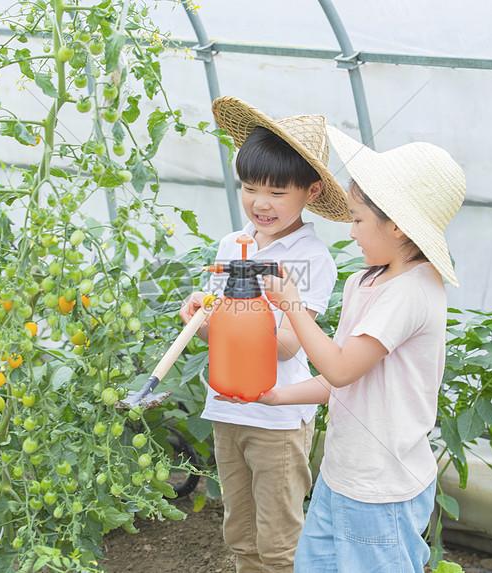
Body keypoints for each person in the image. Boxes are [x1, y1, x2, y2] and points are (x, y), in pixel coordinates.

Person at [217, 126, 466, 572]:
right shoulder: (364, 281)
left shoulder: (411, 292)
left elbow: (341, 369)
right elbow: (339, 386)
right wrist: (273, 396)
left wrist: (290, 302)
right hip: (342, 474)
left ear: (397, 226)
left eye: (356, 219)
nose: (350, 233)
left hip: (382, 487)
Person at [179, 96, 350, 572]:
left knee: (278, 541)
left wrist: (232, 321)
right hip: (226, 409)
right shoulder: (232, 244)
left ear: (311, 192)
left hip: (277, 418)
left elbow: (287, 344)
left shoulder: (312, 259)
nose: (260, 202)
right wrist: (197, 314)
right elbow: (216, 335)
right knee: (239, 532)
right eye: (250, 187)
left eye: (276, 192)